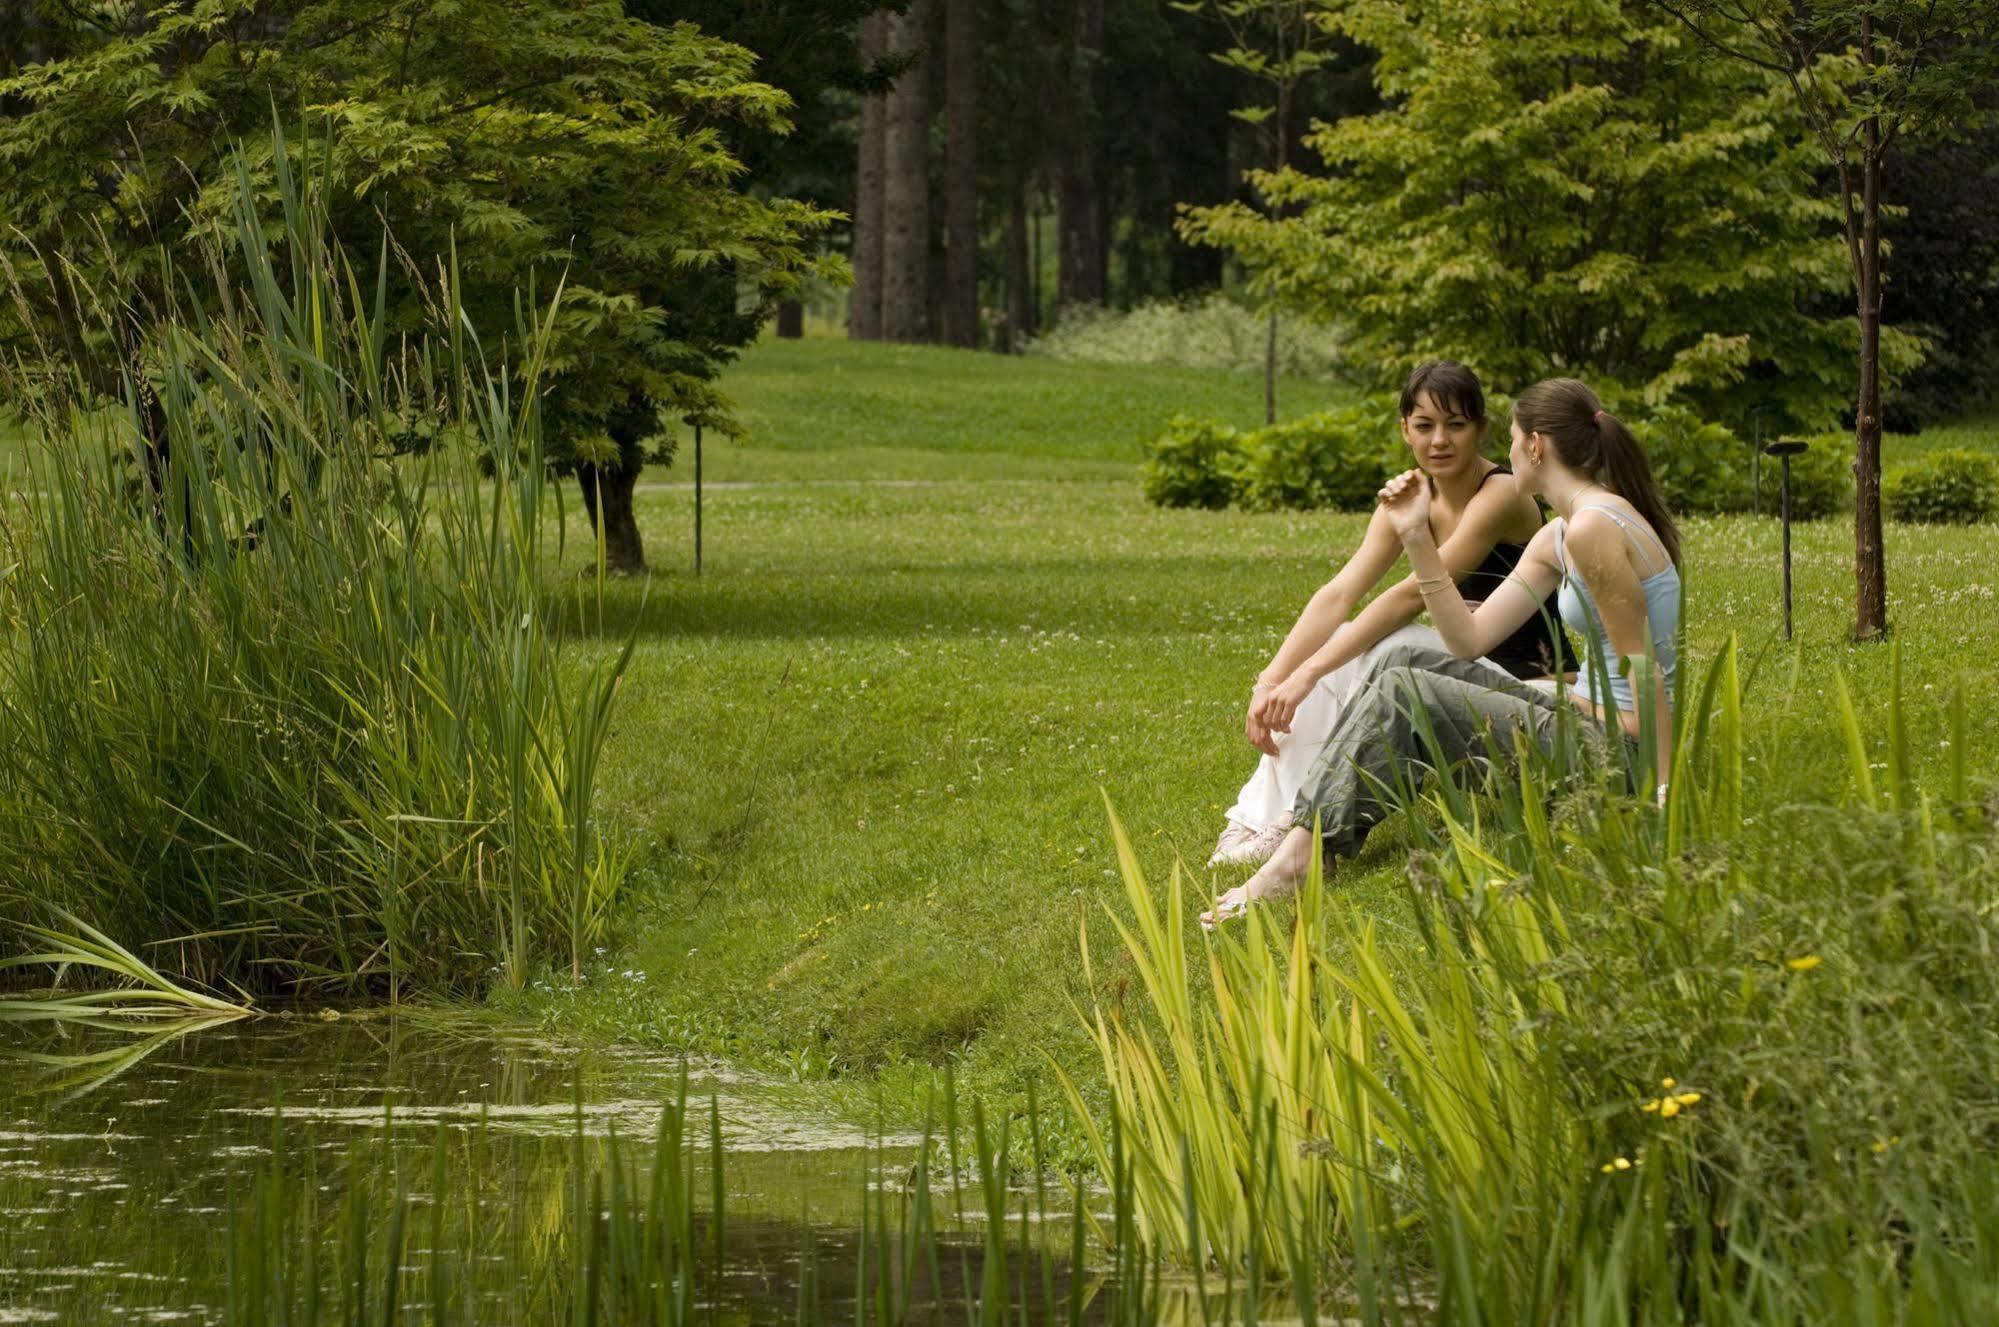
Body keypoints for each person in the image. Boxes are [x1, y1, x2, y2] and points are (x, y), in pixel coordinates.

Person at [1202, 377, 1682, 928]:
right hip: (1583, 719)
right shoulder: (1563, 534)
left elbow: (1644, 675)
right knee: (1397, 662)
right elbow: (1467, 640)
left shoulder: (1593, 529)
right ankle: (1305, 838)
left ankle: (1300, 855)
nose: (1504, 452)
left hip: (1614, 756)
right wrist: (1416, 538)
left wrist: (1660, 793)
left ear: (1536, 446)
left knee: (1408, 690)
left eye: (1509, 437)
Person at [1211, 361, 1571, 869]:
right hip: (1460, 670)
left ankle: (1292, 818)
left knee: (1383, 645)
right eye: (1424, 426)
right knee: (1341, 637)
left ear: (1482, 430)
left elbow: (1411, 596)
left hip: (1529, 688)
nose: (1439, 440)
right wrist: (1270, 682)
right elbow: (1338, 594)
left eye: (1456, 425)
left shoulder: (1501, 494)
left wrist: (1308, 674)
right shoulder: (1409, 500)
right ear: (1405, 430)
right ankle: (1260, 818)